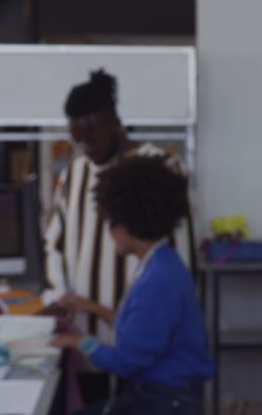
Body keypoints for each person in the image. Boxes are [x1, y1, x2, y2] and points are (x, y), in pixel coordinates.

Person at [42, 69, 197, 402]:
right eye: (78, 140)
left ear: (115, 121)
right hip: (88, 334)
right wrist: (59, 294)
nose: (86, 148)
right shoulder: (75, 173)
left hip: (146, 349)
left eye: (93, 138)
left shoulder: (161, 167)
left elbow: (184, 257)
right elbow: (55, 242)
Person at [51, 155, 215, 415]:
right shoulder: (164, 262)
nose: (108, 231)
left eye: (109, 222)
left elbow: (127, 362)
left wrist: (79, 341)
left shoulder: (157, 281)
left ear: (124, 224)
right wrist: (90, 307)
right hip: (168, 397)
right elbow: (141, 333)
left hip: (164, 403)